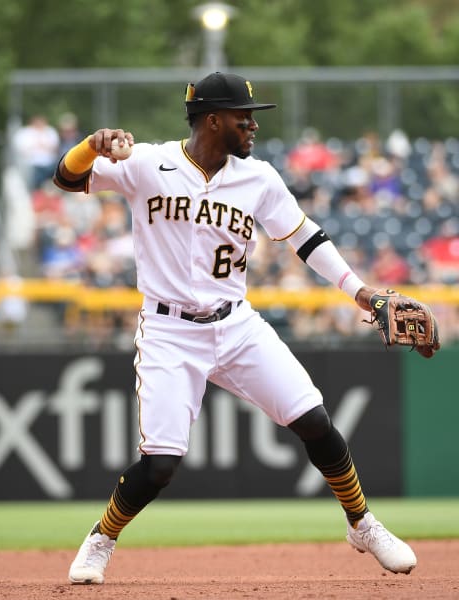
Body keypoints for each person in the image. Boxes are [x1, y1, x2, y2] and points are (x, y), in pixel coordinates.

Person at [53, 72, 421, 585]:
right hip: (169, 332)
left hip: (236, 324)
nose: (252, 126)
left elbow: (307, 239)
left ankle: (362, 523)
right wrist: (90, 146)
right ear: (212, 120)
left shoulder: (260, 177)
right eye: (243, 117)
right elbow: (66, 179)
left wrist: (360, 291)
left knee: (314, 420)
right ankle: (102, 537)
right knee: (159, 466)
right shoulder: (147, 164)